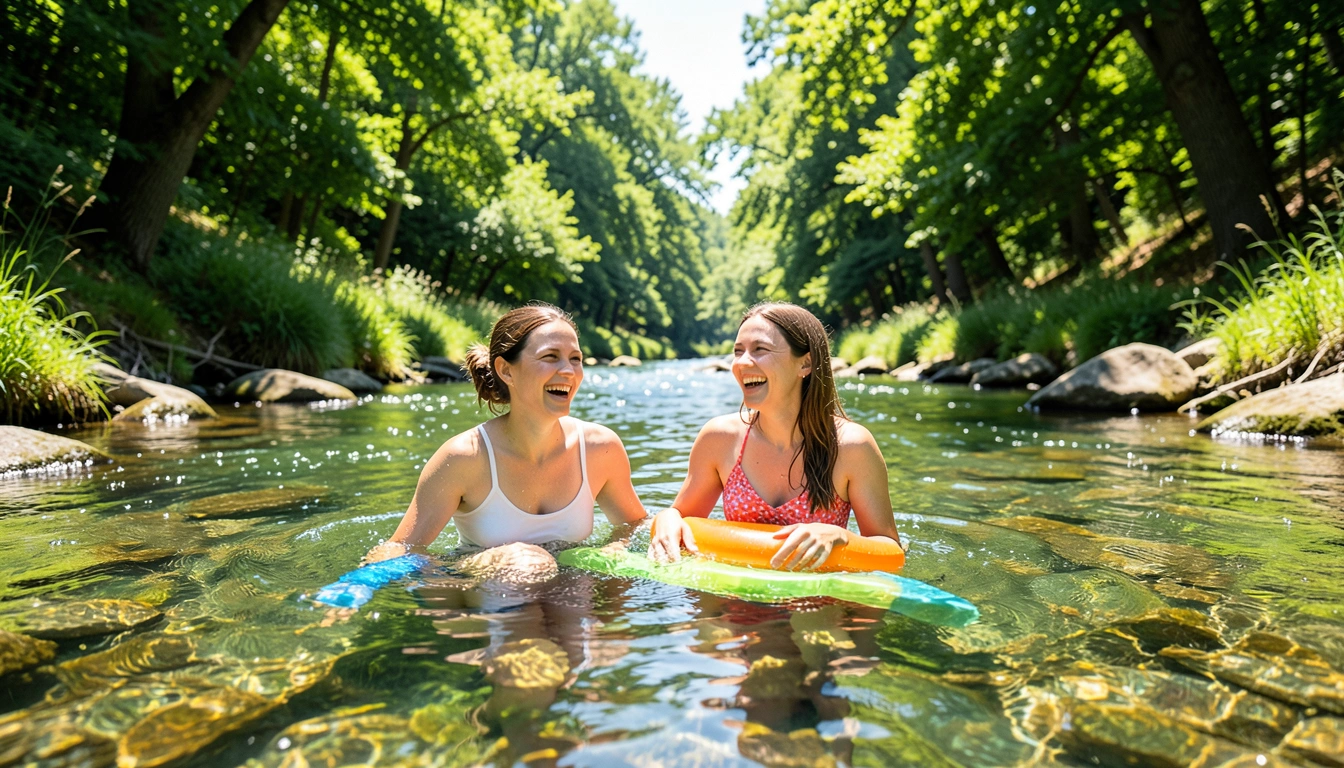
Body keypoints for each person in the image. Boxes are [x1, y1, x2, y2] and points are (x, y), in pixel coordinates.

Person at [367, 303, 647, 567]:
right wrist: (350, 590)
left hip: (566, 594)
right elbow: (401, 548)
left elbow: (635, 525)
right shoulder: (464, 457)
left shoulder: (601, 448)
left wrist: (616, 546)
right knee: (528, 566)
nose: (568, 371)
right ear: (505, 370)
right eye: (551, 357)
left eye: (576, 359)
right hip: (481, 592)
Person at [649, 302, 903, 569]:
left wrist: (841, 536)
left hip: (816, 601)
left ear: (806, 363)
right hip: (735, 595)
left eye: (760, 349)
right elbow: (682, 515)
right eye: (738, 351)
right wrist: (667, 517)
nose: (742, 362)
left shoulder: (851, 446)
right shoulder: (720, 439)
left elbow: (891, 552)